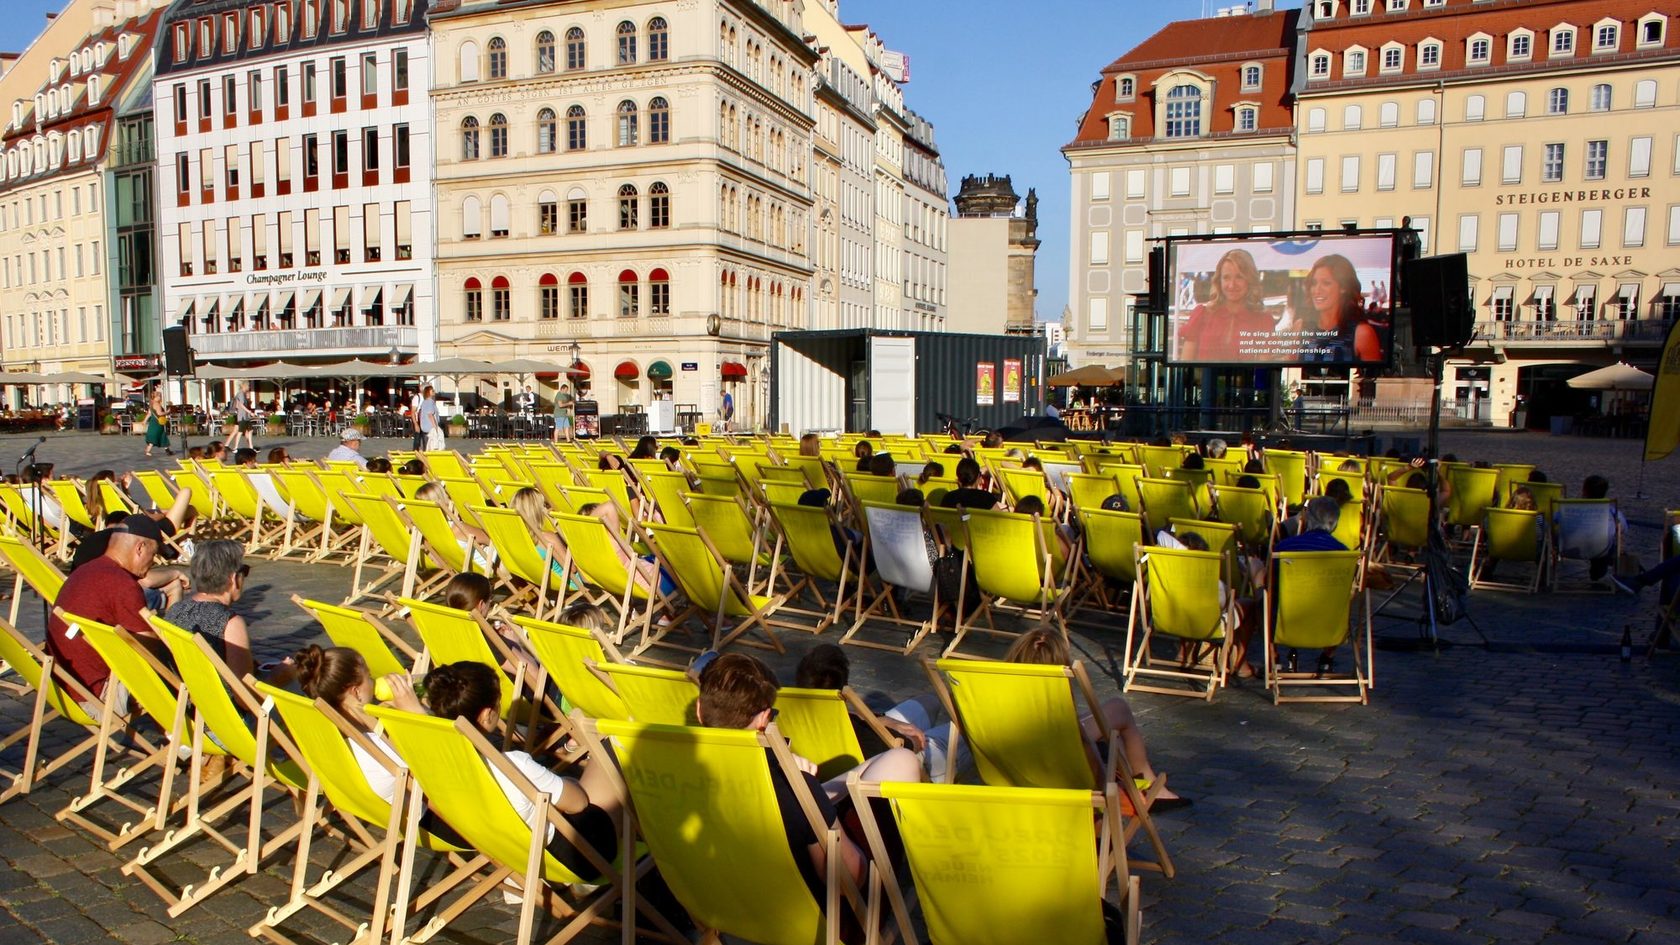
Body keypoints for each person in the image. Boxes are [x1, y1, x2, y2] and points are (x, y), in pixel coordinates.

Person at [695, 653, 919, 903]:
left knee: (895, 760)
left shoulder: (677, 764)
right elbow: (848, 881)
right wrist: (806, 787)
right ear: (762, 718)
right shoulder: (788, 784)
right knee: (905, 761)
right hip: (821, 913)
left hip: (728, 895)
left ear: (699, 711)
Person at [425, 661, 625, 881]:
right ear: (486, 715)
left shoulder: (433, 763)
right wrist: (567, 783)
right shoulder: (513, 765)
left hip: (510, 852)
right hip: (578, 858)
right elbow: (578, 803)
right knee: (612, 746)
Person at [1004, 629, 1187, 807]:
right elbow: (1090, 765)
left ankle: (1139, 778)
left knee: (1112, 721)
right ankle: (1147, 782)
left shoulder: (996, 701)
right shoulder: (1054, 706)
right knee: (1118, 709)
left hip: (1011, 761)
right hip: (1056, 752)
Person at [795, 644, 965, 783]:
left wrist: (885, 720)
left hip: (871, 736)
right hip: (899, 763)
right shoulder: (862, 734)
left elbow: (851, 717)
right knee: (966, 734)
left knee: (929, 702)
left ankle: (945, 700)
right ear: (844, 687)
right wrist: (905, 732)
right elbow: (912, 744)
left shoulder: (788, 716)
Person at [47, 517, 173, 700]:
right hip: (98, 693)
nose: (153, 562)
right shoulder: (122, 584)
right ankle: (187, 723)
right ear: (140, 548)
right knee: (177, 664)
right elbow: (147, 650)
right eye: (153, 555)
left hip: (60, 687)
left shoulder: (85, 570)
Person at [291, 644, 422, 804]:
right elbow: (439, 769)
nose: (373, 681)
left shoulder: (328, 732)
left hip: (372, 809)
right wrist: (415, 710)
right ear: (356, 691)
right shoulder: (380, 742)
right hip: (424, 814)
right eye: (369, 676)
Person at [162, 540, 256, 680]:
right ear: (233, 578)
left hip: (186, 694)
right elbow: (245, 695)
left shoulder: (175, 610)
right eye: (244, 571)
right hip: (221, 700)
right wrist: (281, 675)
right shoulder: (230, 623)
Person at [1177, 248, 1274, 362]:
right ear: (1219, 280)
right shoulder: (1201, 313)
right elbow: (1185, 365)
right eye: (1226, 278)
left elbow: (1263, 371)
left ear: (1250, 279)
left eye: (1239, 277)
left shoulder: (1263, 319)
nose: (1232, 285)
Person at [1300, 254, 1382, 363]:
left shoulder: (1362, 333)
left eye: (1326, 283)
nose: (1316, 290)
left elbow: (1370, 377)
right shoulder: (1301, 326)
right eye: (1314, 283)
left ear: (1343, 287)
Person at [143, 388, 173, 458]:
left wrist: (144, 421)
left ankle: (167, 450)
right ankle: (148, 451)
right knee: (157, 436)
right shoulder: (157, 404)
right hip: (157, 423)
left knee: (161, 435)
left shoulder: (152, 404)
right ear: (156, 397)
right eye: (159, 396)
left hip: (153, 422)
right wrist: (167, 412)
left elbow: (149, 414)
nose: (160, 398)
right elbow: (159, 413)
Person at [229, 383, 258, 451]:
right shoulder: (241, 394)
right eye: (248, 386)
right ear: (244, 386)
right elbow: (241, 405)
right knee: (240, 432)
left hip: (246, 417)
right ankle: (235, 447)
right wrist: (249, 412)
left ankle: (251, 447)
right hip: (242, 416)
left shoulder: (243, 394)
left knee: (250, 430)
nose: (249, 387)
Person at [415, 385, 442, 452]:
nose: (434, 392)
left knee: (426, 446)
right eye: (432, 391)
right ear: (428, 392)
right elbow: (430, 415)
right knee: (431, 447)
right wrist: (435, 428)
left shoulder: (424, 402)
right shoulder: (430, 402)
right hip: (430, 428)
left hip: (425, 427)